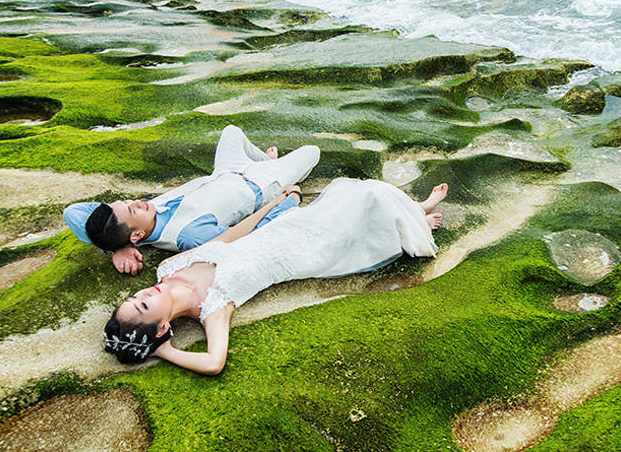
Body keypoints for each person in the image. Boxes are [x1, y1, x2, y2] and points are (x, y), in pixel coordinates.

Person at [102, 179, 449, 374]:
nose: (143, 292)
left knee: (354, 192)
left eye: (134, 296)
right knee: (365, 207)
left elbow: (228, 237)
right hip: (302, 254)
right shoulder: (213, 309)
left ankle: (416, 208)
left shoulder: (167, 269)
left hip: (284, 227)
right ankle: (417, 216)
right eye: (144, 304)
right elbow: (213, 362)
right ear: (162, 327)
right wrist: (165, 352)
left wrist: (272, 205)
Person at [64, 125, 319, 274]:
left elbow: (72, 212)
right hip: (262, 184)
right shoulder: (188, 235)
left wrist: (114, 249)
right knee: (311, 152)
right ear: (136, 236)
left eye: (128, 202)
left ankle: (265, 158)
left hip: (225, 171)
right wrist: (288, 200)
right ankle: (271, 165)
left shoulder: (139, 220)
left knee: (231, 131)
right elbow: (247, 236)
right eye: (132, 211)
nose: (138, 202)